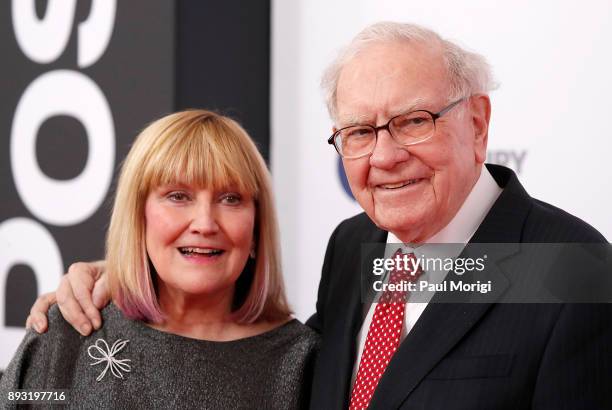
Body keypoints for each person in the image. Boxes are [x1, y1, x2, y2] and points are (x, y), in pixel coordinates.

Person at [25, 22, 612, 409]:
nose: (385, 156)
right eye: (359, 132)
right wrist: (121, 273)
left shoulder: (573, 270)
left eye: (414, 121)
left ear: (478, 124)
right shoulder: (355, 244)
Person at [0, 110, 318, 409]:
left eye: (230, 198)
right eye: (178, 196)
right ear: (138, 216)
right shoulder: (67, 332)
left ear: (257, 227)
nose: (205, 224)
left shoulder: (303, 362)